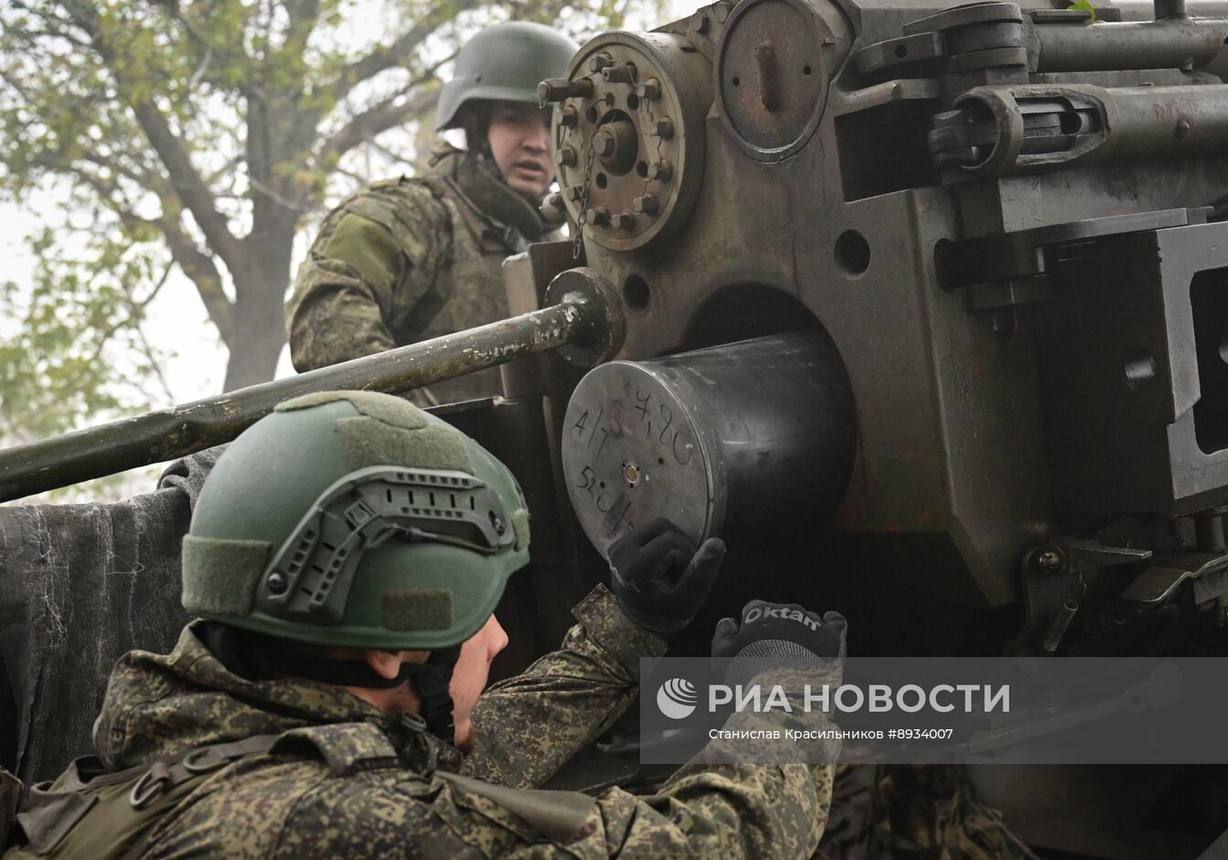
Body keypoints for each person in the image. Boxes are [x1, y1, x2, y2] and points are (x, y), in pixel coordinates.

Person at [3, 391, 847, 858]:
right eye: (476, 610)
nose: (499, 637)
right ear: (387, 650)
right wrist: (786, 687)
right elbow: (716, 845)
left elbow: (442, 760)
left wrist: (628, 627)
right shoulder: (329, 830)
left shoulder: (186, 760)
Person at [288, 22, 576, 407]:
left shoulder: (568, 249)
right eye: (515, 118)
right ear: (476, 125)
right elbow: (327, 326)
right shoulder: (410, 214)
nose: (538, 143)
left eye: (553, 125)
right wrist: (430, 429)